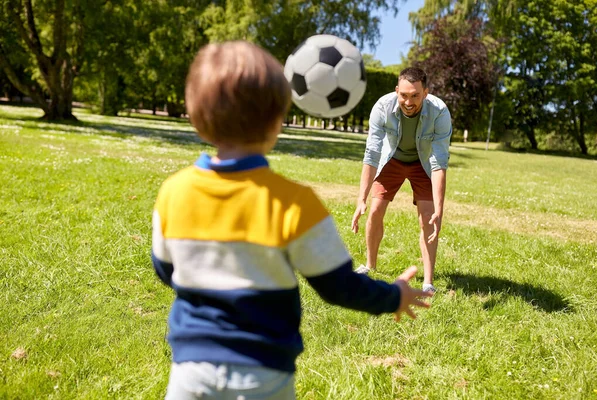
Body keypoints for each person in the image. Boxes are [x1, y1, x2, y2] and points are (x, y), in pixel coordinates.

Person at [151, 41, 433, 400]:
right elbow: (339, 286)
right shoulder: (294, 203)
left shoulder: (173, 192)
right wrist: (393, 296)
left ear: (195, 116)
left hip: (189, 374)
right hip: (264, 374)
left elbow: (165, 268)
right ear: (276, 122)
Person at [351, 67, 452, 293]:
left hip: (422, 162)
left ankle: (428, 282)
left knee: (428, 218)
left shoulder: (439, 112)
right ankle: (370, 265)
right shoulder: (382, 107)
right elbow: (372, 153)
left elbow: (439, 162)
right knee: (375, 210)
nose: (408, 101)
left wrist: (439, 210)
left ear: (425, 93)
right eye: (404, 95)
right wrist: (361, 199)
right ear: (397, 91)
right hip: (392, 159)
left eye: (415, 95)